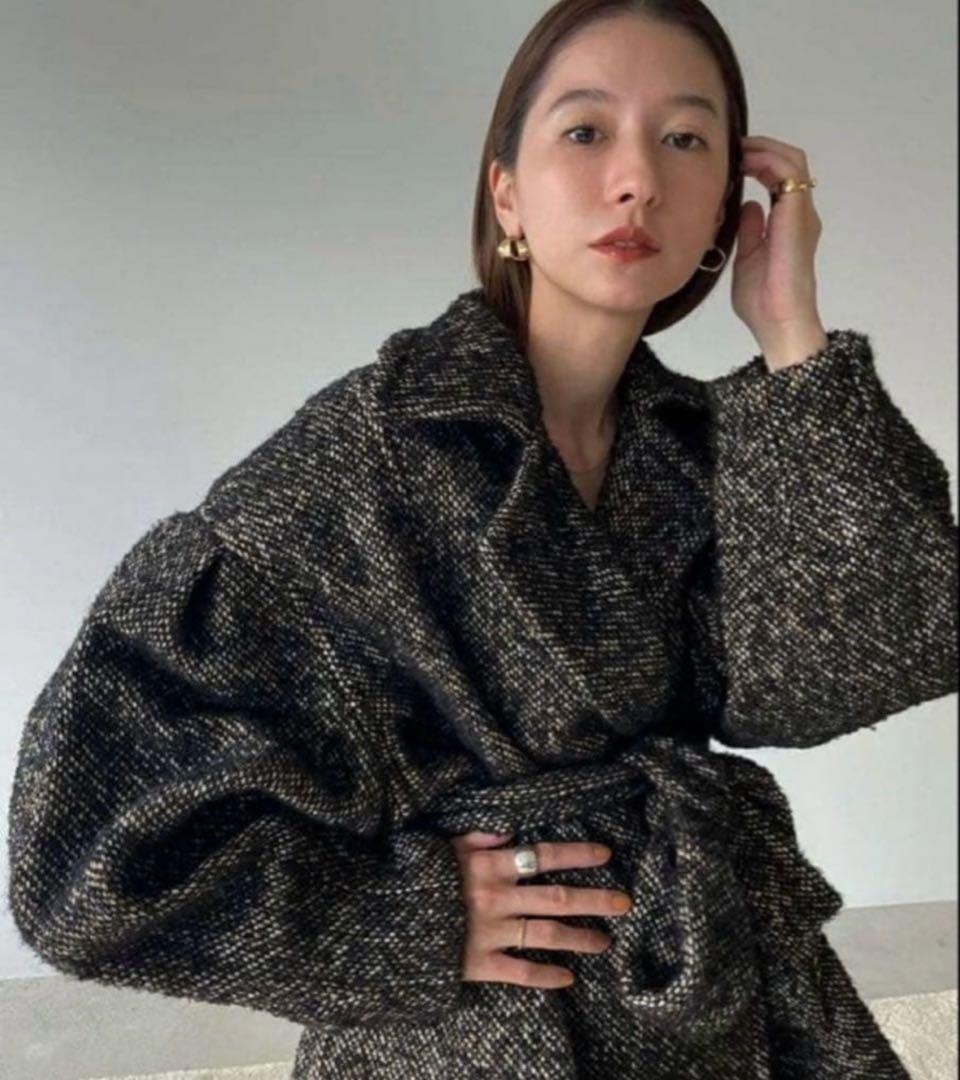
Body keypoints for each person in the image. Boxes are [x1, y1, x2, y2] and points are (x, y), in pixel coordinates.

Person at [8, 1, 957, 1077]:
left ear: (724, 205)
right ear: (506, 193)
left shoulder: (702, 448)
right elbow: (84, 865)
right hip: (486, 1029)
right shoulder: (371, 449)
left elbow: (859, 666)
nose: (638, 178)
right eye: (586, 131)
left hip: (716, 981)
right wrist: (407, 917)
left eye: (686, 138)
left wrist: (791, 330)